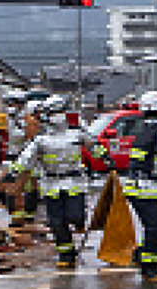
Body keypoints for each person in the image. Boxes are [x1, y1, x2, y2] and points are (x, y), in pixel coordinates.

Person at [15, 97, 106, 268]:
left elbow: (94, 146)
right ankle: (66, 254)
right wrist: (14, 172)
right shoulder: (41, 139)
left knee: (75, 215)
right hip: (51, 184)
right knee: (57, 223)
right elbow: (26, 158)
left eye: (60, 112)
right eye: (53, 113)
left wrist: (105, 157)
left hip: (74, 182)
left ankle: (79, 223)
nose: (57, 116)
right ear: (47, 116)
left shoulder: (77, 133)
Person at [121, 91, 157, 281]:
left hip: (138, 187)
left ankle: (142, 256)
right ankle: (149, 269)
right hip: (146, 188)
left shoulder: (142, 132)